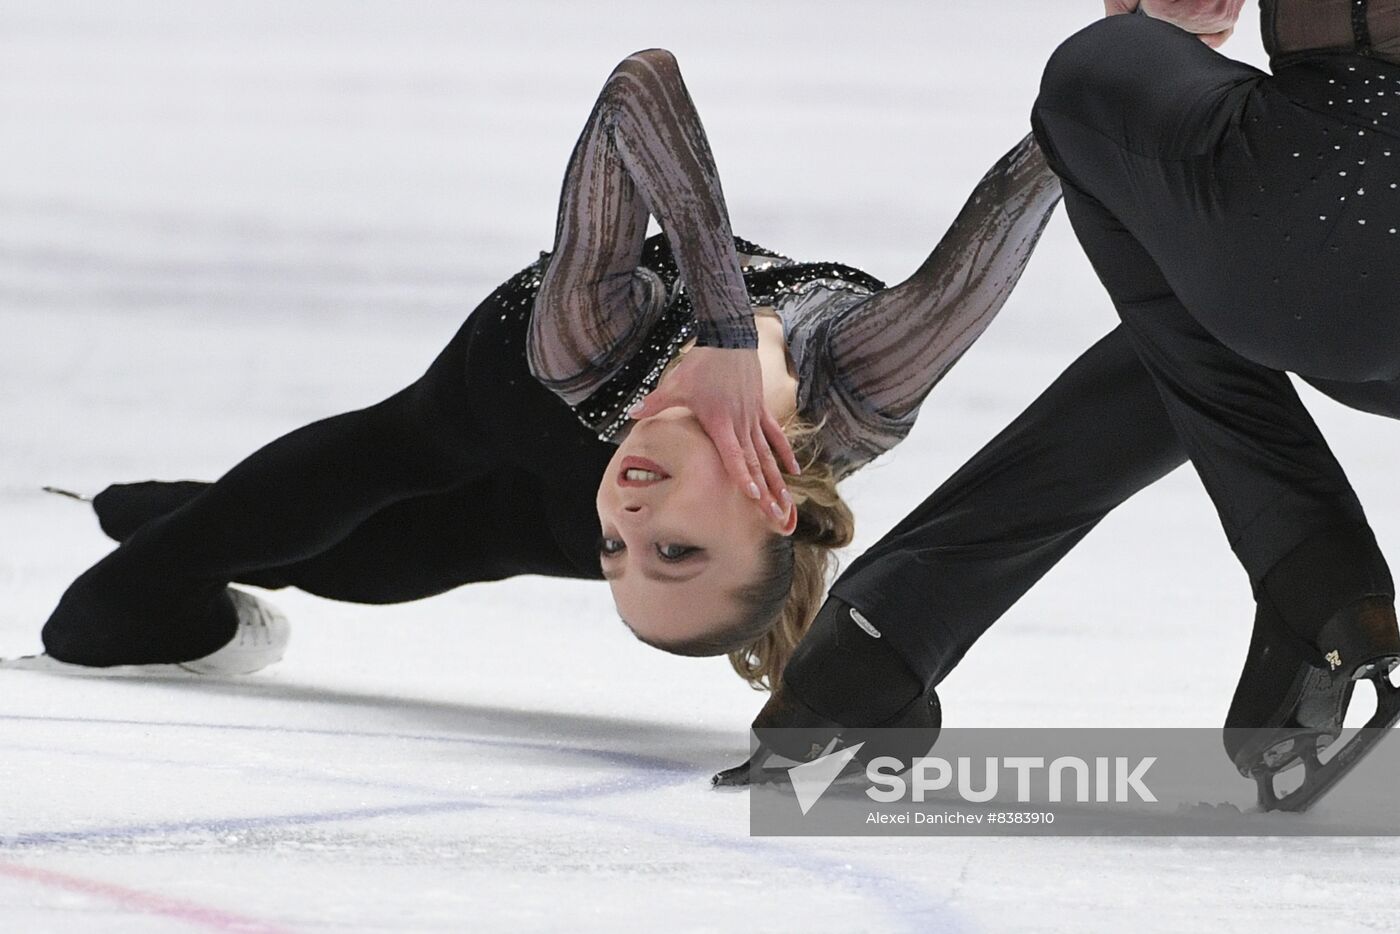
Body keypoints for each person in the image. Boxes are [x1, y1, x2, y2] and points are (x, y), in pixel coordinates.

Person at [20, 49, 1062, 696]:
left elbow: (633, 96)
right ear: (773, 511)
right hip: (489, 404)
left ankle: (172, 511)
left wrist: (621, 523)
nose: (633, 518)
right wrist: (725, 334)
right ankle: (181, 523)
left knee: (385, 562)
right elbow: (638, 85)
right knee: (371, 473)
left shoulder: (582, 355)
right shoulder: (865, 380)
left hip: (553, 412)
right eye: (675, 548)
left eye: (622, 552)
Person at [719, 1, 1400, 812]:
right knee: (1181, 323)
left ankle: (1312, 573)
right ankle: (880, 640)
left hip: (1338, 241)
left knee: (1095, 82)